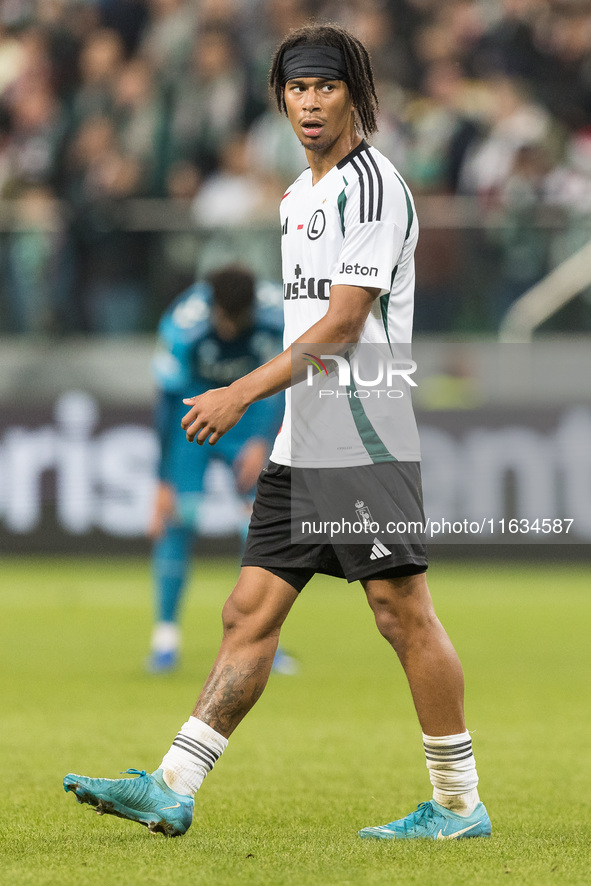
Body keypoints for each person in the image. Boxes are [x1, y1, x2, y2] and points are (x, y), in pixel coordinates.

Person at [64, 22, 491, 842]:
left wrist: (235, 393)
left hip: (362, 430)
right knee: (247, 611)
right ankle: (172, 784)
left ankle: (458, 804)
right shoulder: (299, 195)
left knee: (402, 613)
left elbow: (339, 329)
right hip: (306, 437)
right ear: (278, 98)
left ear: (355, 95)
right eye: (296, 88)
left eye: (325, 87)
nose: (309, 103)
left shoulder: (370, 189)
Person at [146, 264, 296, 675]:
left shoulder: (276, 314)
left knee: (260, 528)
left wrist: (264, 438)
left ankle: (263, 638)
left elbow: (291, 378)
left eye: (237, 320)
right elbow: (165, 399)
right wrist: (162, 480)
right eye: (222, 319)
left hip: (249, 419)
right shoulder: (183, 324)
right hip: (192, 416)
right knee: (180, 517)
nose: (229, 328)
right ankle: (165, 639)